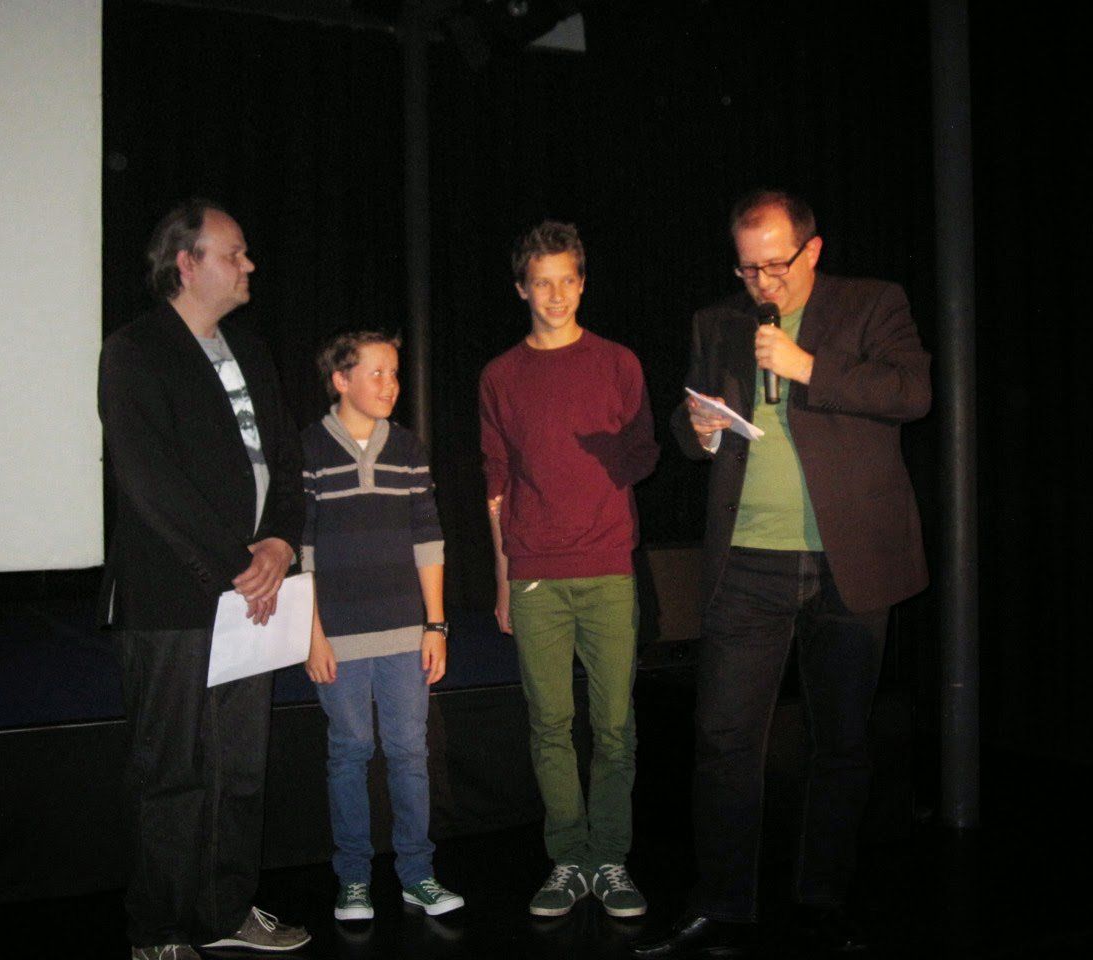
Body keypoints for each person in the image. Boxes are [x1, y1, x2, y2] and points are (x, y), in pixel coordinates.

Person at [634, 190, 931, 958]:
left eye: (775, 265)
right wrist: (697, 428)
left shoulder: (873, 305)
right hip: (747, 561)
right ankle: (723, 906)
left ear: (813, 249)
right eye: (748, 268)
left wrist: (808, 368)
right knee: (724, 740)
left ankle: (823, 902)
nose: (762, 283)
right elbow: (687, 427)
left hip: (848, 559)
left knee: (842, 742)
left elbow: (911, 393)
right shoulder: (718, 322)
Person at [98, 200, 310, 959]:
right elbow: (150, 481)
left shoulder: (251, 351)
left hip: (253, 590)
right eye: (233, 253)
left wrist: (280, 540)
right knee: (174, 772)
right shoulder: (134, 351)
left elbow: (285, 462)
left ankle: (224, 912)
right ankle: (159, 931)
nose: (249, 265)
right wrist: (237, 564)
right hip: (175, 599)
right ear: (186, 264)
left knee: (240, 769)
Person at [479, 220, 660, 918]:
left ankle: (609, 856)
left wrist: (621, 454)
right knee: (550, 723)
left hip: (608, 566)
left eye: (567, 280)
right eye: (541, 283)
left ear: (583, 283)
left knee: (614, 725)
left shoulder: (619, 364)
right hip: (535, 575)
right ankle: (567, 859)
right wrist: (503, 579)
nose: (555, 295)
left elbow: (644, 452)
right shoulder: (500, 376)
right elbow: (496, 483)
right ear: (521, 289)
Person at [301, 331, 464, 921]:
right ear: (340, 380)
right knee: (349, 752)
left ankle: (417, 874)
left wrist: (435, 625)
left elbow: (428, 538)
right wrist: (312, 635)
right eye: (377, 373)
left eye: (394, 373)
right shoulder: (309, 449)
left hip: (404, 632)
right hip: (338, 635)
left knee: (410, 752)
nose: (391, 384)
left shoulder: (409, 447)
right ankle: (353, 879)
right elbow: (302, 550)